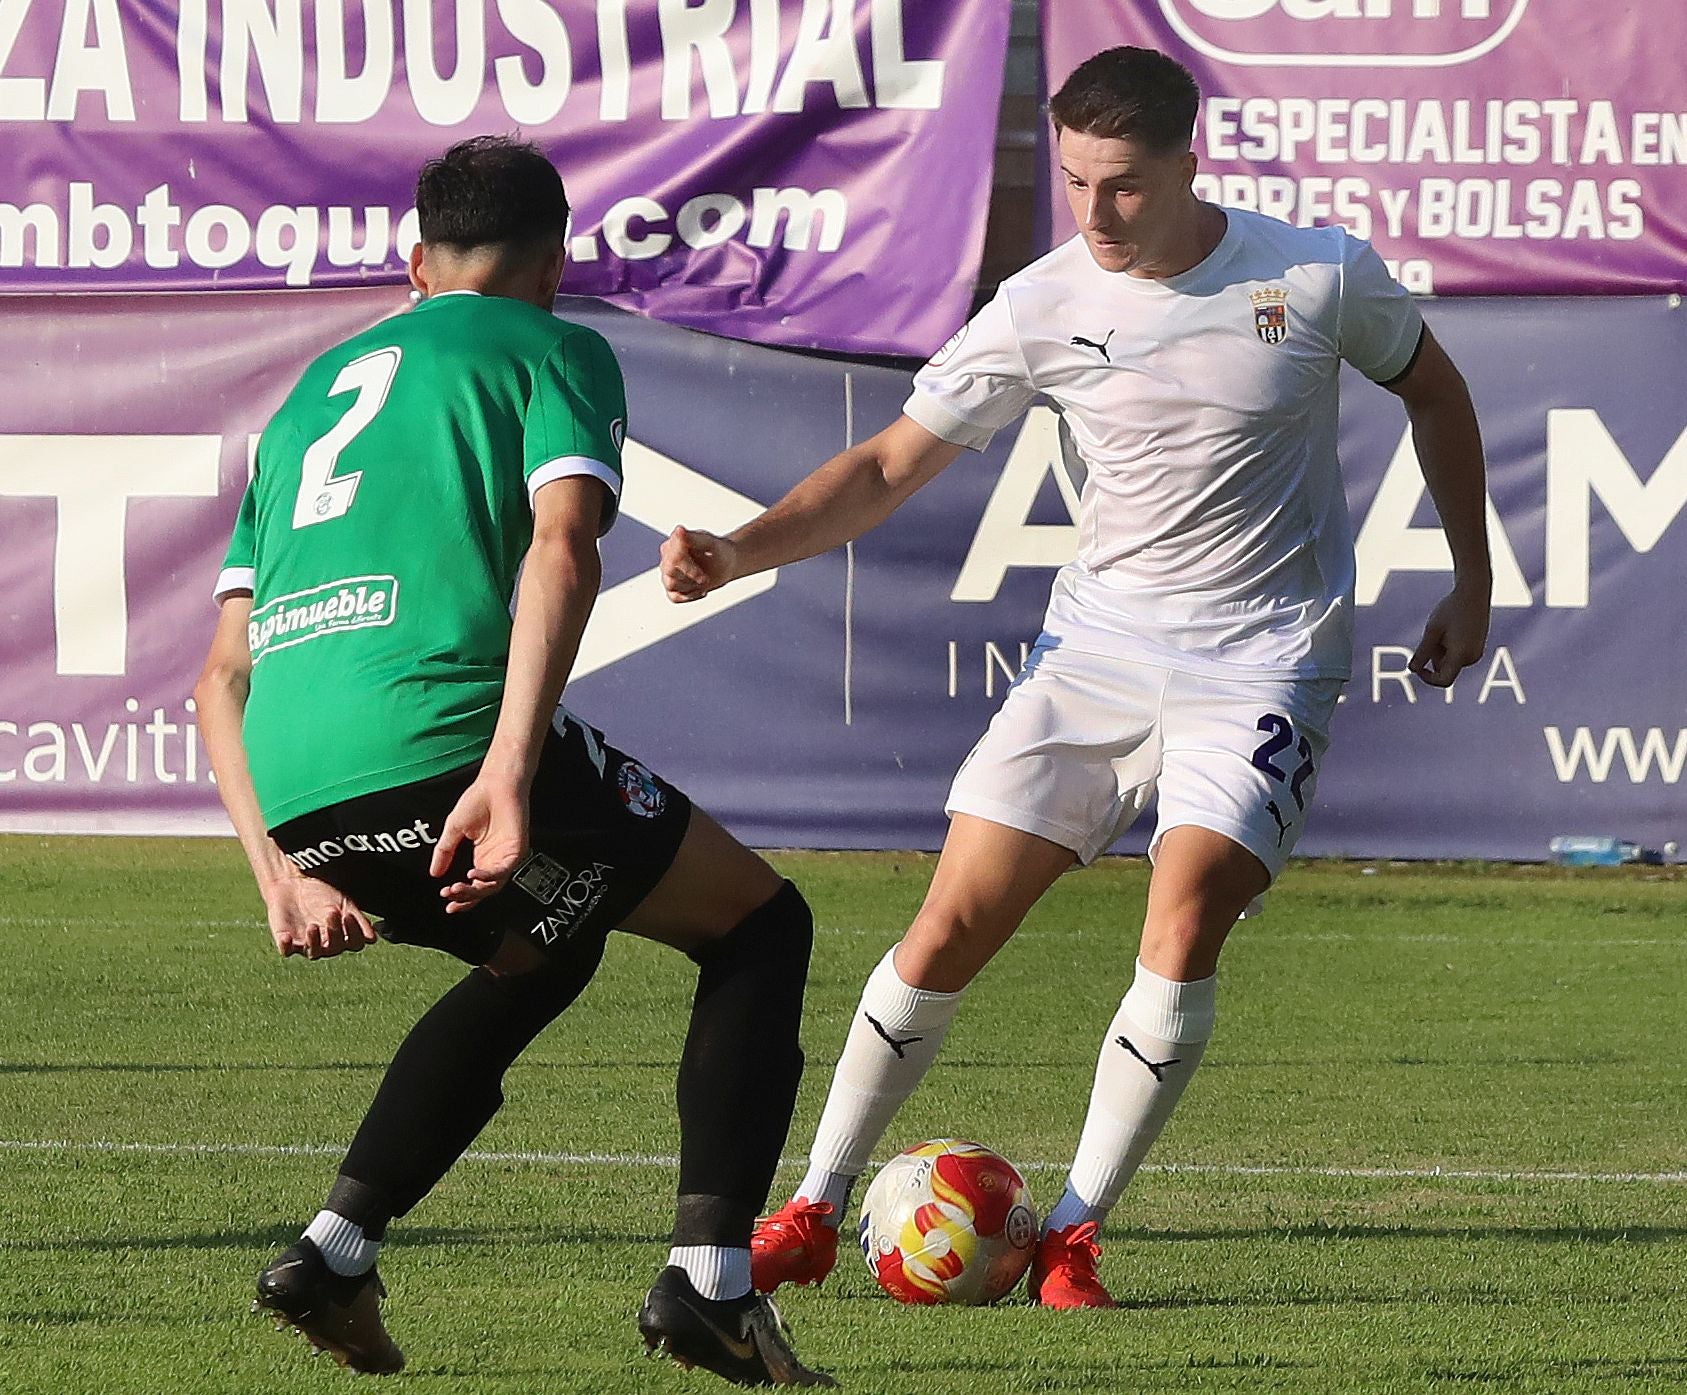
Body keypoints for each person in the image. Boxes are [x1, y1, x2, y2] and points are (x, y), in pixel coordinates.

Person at [660, 47, 1492, 1309]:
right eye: (1073, 181)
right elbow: (886, 466)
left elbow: (1437, 394)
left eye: (1124, 186)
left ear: (1188, 164)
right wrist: (738, 550)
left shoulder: (1316, 272)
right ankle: (816, 1208)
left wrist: (1470, 579)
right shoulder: (1041, 301)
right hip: (1095, 655)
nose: (1095, 212)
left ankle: (1068, 1238)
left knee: (1185, 914)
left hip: (1262, 661)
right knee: (947, 927)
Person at [194, 136, 833, 1387]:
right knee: (760, 926)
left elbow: (220, 676)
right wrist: (508, 769)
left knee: (539, 951)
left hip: (302, 793)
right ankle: (712, 1288)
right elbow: (561, 549)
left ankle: (333, 1253)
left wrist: (279, 869)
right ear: (554, 264)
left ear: (414, 263)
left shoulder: (305, 400)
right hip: (439, 741)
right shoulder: (553, 349)